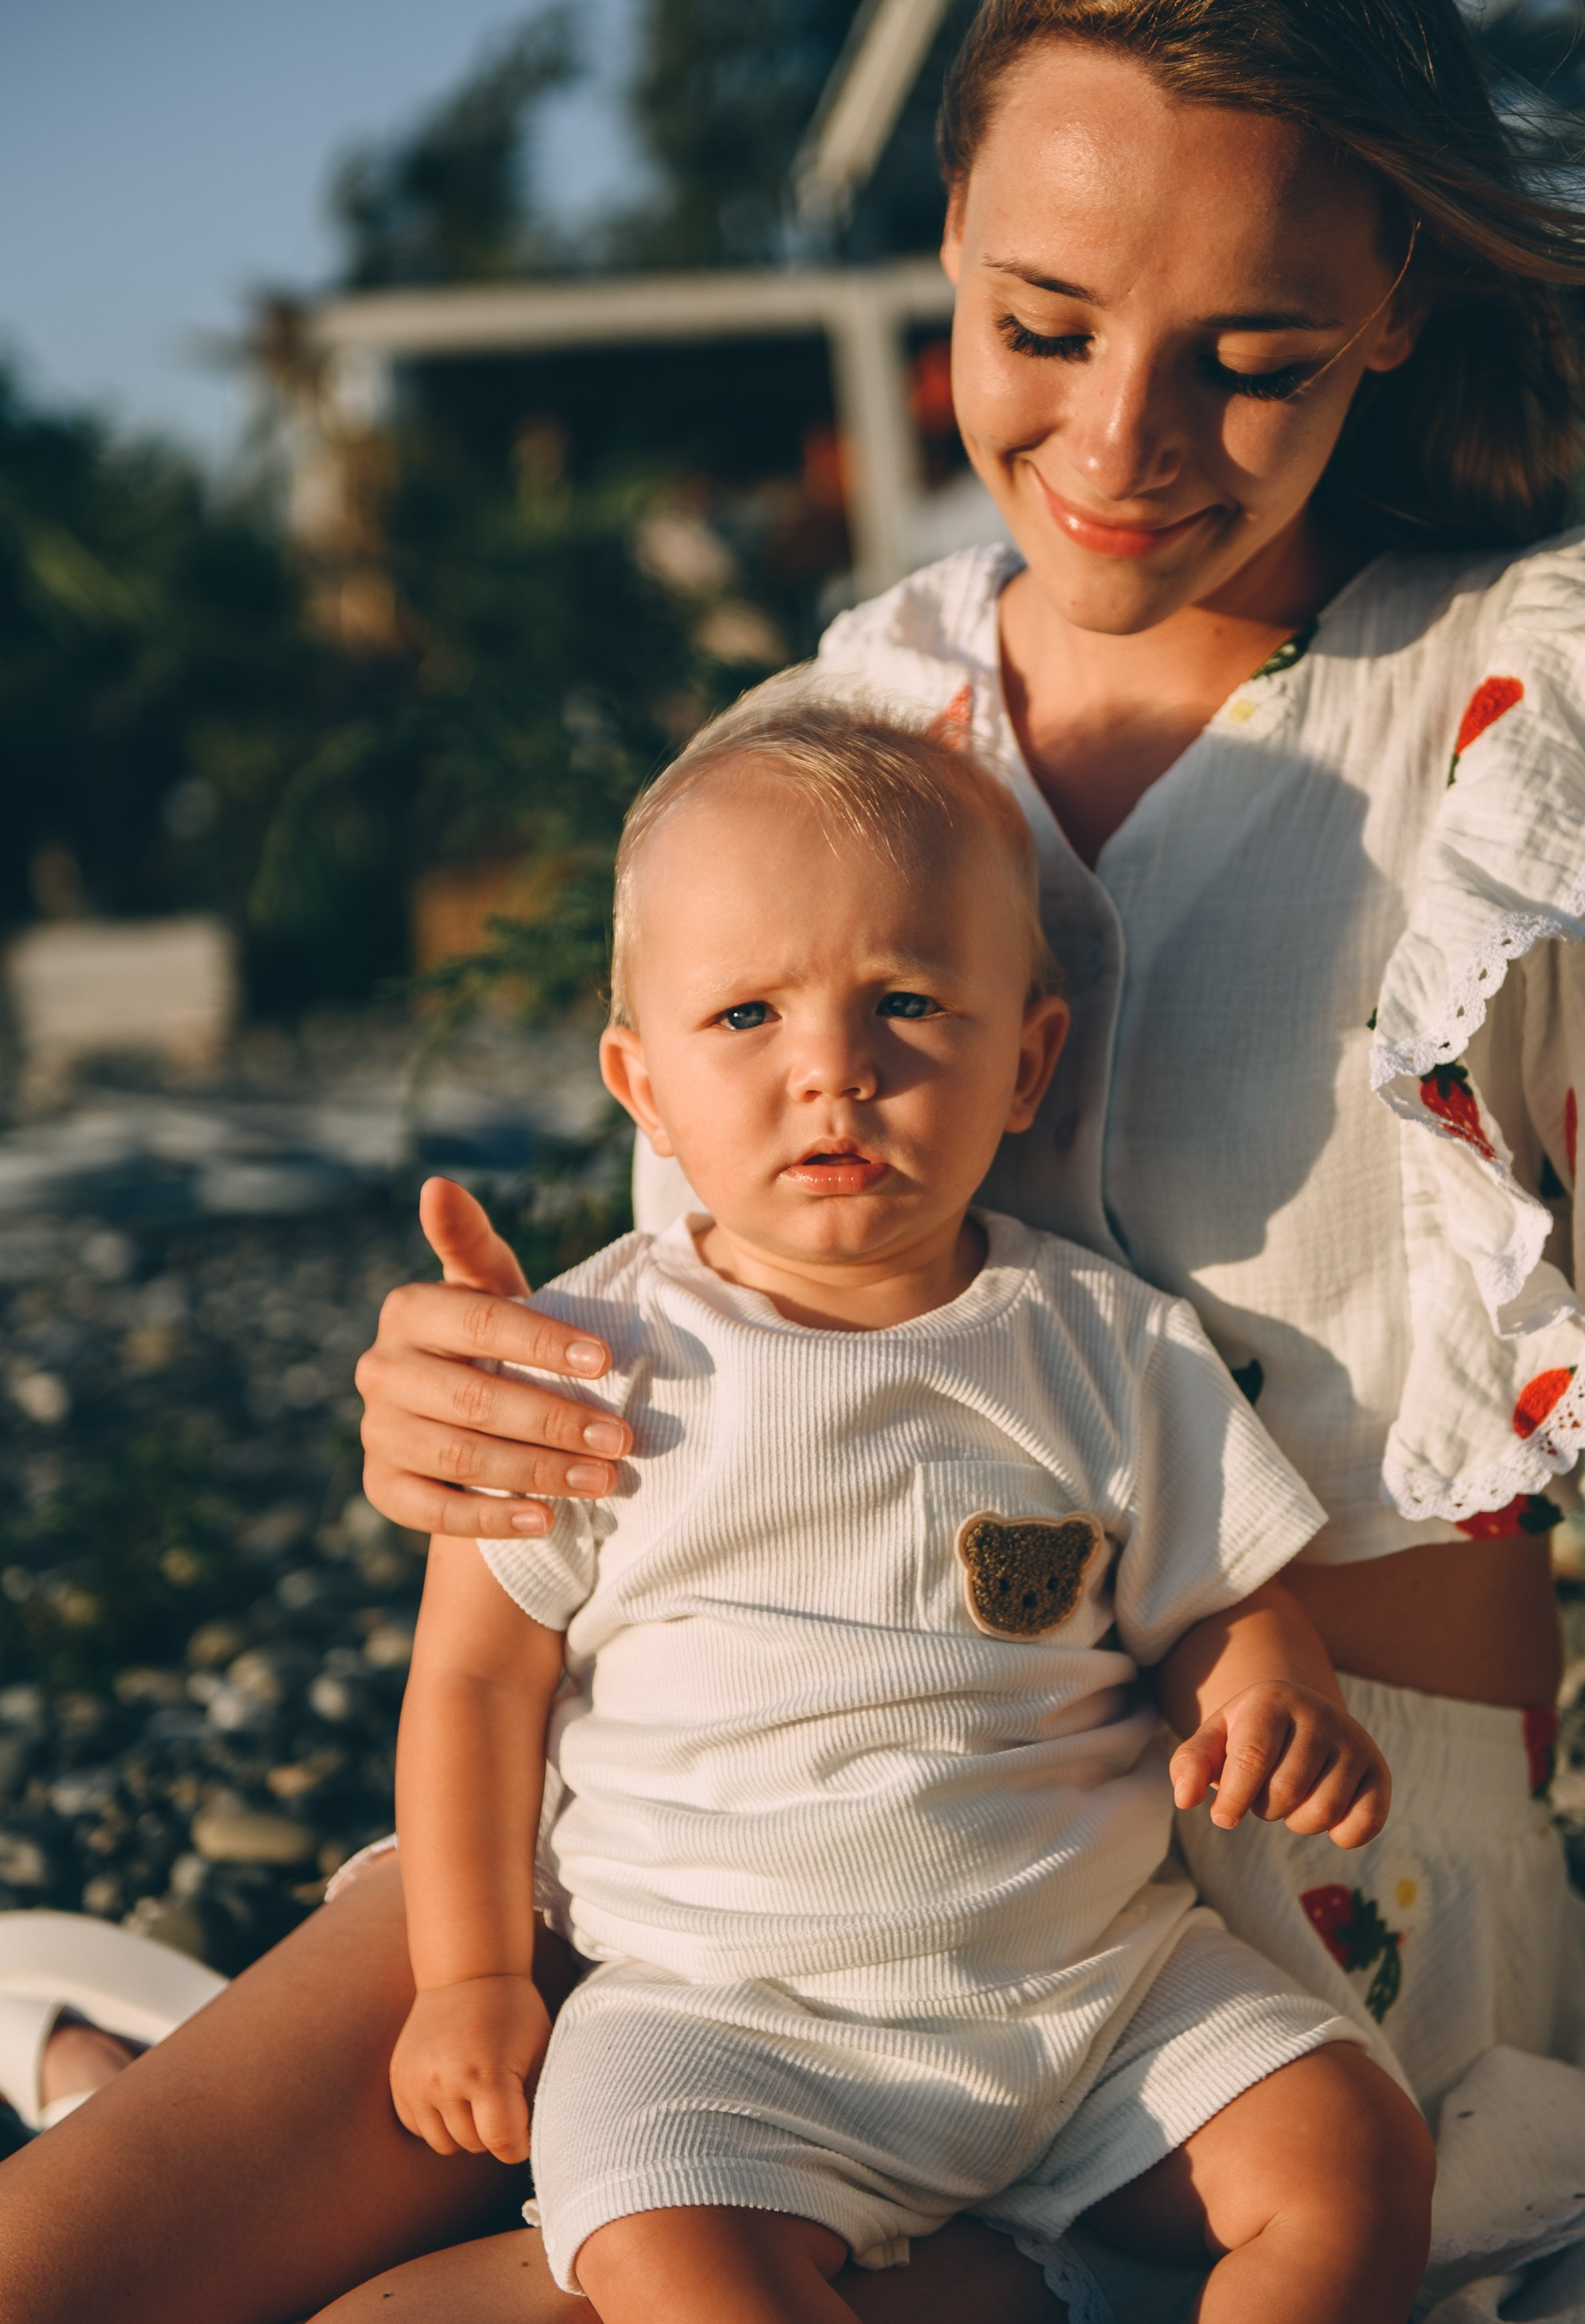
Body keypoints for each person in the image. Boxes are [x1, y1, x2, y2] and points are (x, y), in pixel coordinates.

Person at [0, 0, 1579, 2318]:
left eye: (1249, 358)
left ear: (1393, 307)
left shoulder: (1520, 721)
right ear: (944, 243)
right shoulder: (838, 716)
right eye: (1040, 324)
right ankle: (132, 2066)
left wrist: (1164, 1618)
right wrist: (463, 1414)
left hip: (1230, 1945)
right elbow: (714, 1325)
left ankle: (112, 2042)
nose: (1122, 435)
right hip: (696, 1857)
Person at [385, 685, 1428, 2324]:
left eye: (907, 1004)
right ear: (641, 1086)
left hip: (1094, 1991)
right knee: (669, 2253)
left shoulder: (1101, 1340)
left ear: (1027, 1063)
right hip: (720, 2020)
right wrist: (468, 1973)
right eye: (747, 1015)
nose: (834, 1070)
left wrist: (1269, 1693)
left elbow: (1217, 1602)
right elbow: (472, 1678)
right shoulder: (595, 1361)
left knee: (1353, 2160)